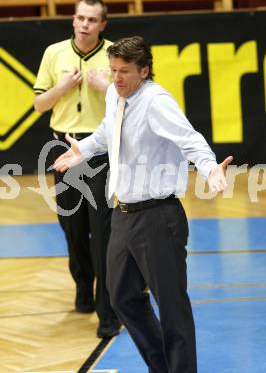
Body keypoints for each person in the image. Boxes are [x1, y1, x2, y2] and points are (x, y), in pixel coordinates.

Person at [54, 36, 233, 372]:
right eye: (113, 70)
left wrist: (210, 169)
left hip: (158, 217)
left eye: (124, 71)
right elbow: (109, 132)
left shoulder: (156, 101)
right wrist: (84, 149)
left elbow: (190, 140)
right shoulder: (114, 94)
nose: (116, 77)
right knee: (121, 297)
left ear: (144, 70)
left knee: (172, 305)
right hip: (122, 214)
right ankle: (162, 365)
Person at [33, 0, 120, 338]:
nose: (85, 24)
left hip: (100, 149)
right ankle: (83, 289)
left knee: (103, 232)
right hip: (63, 148)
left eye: (92, 20)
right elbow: (40, 104)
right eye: (80, 18)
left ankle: (107, 313)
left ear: (103, 25)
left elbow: (135, 99)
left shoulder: (115, 53)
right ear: (73, 20)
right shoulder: (54, 53)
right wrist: (62, 87)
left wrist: (107, 86)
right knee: (72, 226)